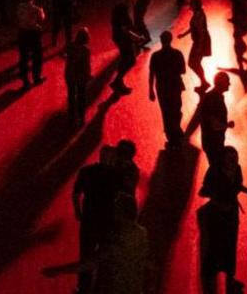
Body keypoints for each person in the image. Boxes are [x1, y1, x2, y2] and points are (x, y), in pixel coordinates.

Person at [198, 146, 247, 293]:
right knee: (215, 241)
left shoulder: (237, 169)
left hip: (231, 214)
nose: (234, 161)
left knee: (230, 243)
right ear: (223, 159)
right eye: (230, 159)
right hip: (216, 214)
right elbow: (203, 191)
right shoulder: (214, 172)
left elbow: (237, 185)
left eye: (235, 158)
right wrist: (217, 198)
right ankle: (211, 271)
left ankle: (229, 273)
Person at [73, 146, 120, 294]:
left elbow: (76, 193)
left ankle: (83, 288)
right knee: (105, 255)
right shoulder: (115, 175)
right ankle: (102, 287)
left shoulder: (86, 171)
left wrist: (77, 210)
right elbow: (121, 197)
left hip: (89, 219)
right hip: (107, 221)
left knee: (86, 254)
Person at [91, 193, 149, 294]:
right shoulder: (142, 233)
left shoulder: (118, 236)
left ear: (122, 212)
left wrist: (59, 270)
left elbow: (93, 261)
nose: (114, 211)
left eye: (117, 207)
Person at [148, 31, 187, 149]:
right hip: (175, 86)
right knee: (176, 109)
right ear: (170, 40)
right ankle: (176, 130)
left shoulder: (155, 56)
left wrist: (150, 90)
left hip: (162, 87)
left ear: (161, 40)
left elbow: (151, 74)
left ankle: (170, 135)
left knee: (166, 111)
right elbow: (183, 71)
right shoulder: (177, 54)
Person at [194, 73, 234, 166]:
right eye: (227, 81)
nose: (229, 84)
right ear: (221, 83)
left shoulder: (215, 96)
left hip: (214, 142)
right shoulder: (213, 99)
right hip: (213, 143)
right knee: (216, 168)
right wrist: (227, 125)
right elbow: (214, 125)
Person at [110, 0, 143, 94]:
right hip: (122, 38)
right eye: (133, 2)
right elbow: (125, 29)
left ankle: (118, 82)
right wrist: (137, 38)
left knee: (125, 58)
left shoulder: (119, 7)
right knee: (131, 59)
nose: (134, 5)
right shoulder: (123, 10)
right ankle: (117, 81)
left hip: (119, 36)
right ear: (130, 0)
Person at [179, 0, 212, 93]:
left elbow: (201, 31)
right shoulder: (197, 14)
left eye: (191, 3)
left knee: (193, 63)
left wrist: (199, 47)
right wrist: (184, 34)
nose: (190, 4)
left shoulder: (198, 15)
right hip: (200, 42)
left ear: (195, 4)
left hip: (200, 42)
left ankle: (204, 82)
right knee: (195, 63)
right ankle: (204, 82)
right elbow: (194, 27)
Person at [16, 0, 47, 89]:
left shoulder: (19, 7)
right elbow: (42, 19)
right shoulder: (36, 9)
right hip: (33, 33)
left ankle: (25, 81)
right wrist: (42, 11)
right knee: (37, 56)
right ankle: (36, 78)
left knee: (23, 57)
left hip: (22, 33)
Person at [65, 28, 93, 127]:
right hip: (81, 76)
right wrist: (89, 75)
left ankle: (71, 116)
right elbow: (87, 65)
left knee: (71, 95)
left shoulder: (70, 46)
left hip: (70, 75)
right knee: (81, 96)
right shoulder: (86, 50)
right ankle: (81, 117)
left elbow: (66, 57)